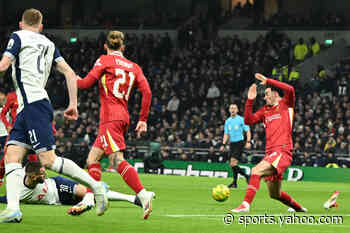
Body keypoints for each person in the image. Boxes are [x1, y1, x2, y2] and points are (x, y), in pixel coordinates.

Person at [0, 8, 108, 223]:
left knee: (48, 160)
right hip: (30, 106)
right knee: (11, 155)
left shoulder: (17, 36)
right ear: (41, 27)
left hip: (33, 105)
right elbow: (69, 72)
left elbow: (3, 65)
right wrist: (73, 104)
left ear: (21, 24)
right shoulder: (49, 44)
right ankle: (13, 209)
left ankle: (96, 187)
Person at [77, 30, 154, 219]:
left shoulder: (104, 60)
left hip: (110, 117)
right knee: (92, 159)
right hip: (122, 117)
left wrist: (72, 78)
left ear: (105, 46)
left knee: (116, 160)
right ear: (123, 47)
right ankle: (89, 199)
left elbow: (85, 84)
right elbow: (148, 93)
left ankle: (143, 195)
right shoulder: (134, 67)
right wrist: (142, 119)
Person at [230, 73, 306, 213]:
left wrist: (269, 81)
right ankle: (299, 209)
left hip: (282, 151)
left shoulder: (285, 104)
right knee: (274, 194)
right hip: (271, 153)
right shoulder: (265, 111)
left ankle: (245, 205)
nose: (264, 97)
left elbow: (290, 89)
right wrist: (250, 100)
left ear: (275, 94)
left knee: (255, 171)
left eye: (266, 94)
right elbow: (248, 120)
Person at [0, 161, 144, 216]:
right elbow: (4, 199)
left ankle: (132, 199)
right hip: (59, 201)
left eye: (44, 173)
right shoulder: (17, 192)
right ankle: (99, 190)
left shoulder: (46, 180)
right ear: (31, 176)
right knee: (93, 196)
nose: (44, 176)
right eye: (41, 175)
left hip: (58, 185)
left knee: (85, 192)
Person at [220, 104, 251, 188]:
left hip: (239, 143)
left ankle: (247, 176)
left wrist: (248, 141)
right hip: (232, 144)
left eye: (234, 108)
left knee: (233, 163)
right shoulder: (228, 121)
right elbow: (226, 134)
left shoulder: (241, 119)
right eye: (231, 108)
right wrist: (223, 144)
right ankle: (234, 183)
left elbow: (247, 131)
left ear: (237, 110)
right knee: (232, 164)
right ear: (229, 110)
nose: (232, 109)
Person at [0, 90, 18, 186]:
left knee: (8, 153)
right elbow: (3, 114)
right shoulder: (11, 97)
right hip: (11, 132)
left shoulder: (33, 93)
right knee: (7, 154)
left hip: (6, 134)